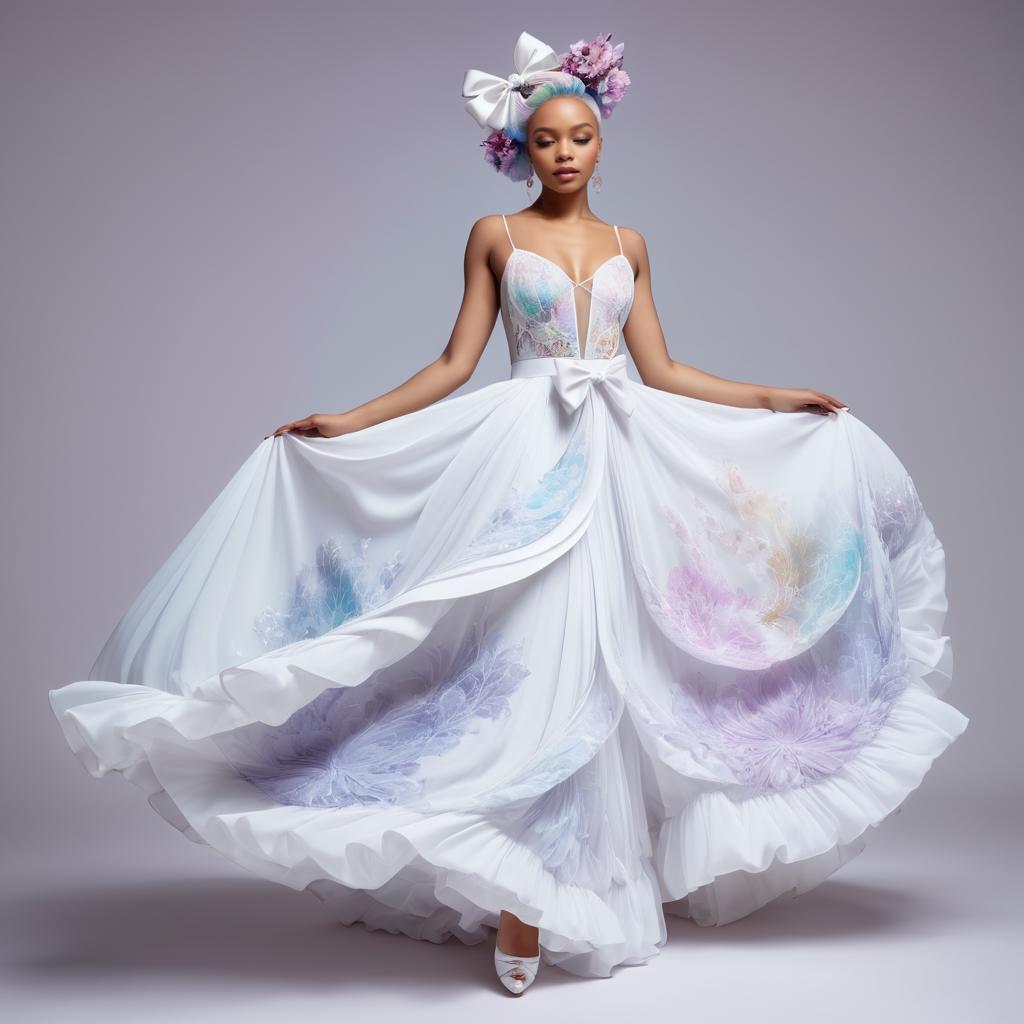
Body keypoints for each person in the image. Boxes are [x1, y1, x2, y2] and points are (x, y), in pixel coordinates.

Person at [49, 28, 969, 997]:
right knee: (530, 667)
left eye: (579, 136)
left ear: (601, 142)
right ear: (519, 151)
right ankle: (523, 897)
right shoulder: (496, 234)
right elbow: (454, 363)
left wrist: (774, 398)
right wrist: (349, 420)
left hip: (621, 458)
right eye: (546, 140)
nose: (565, 152)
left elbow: (662, 369)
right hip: (525, 457)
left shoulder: (628, 246)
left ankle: (600, 877)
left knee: (626, 660)